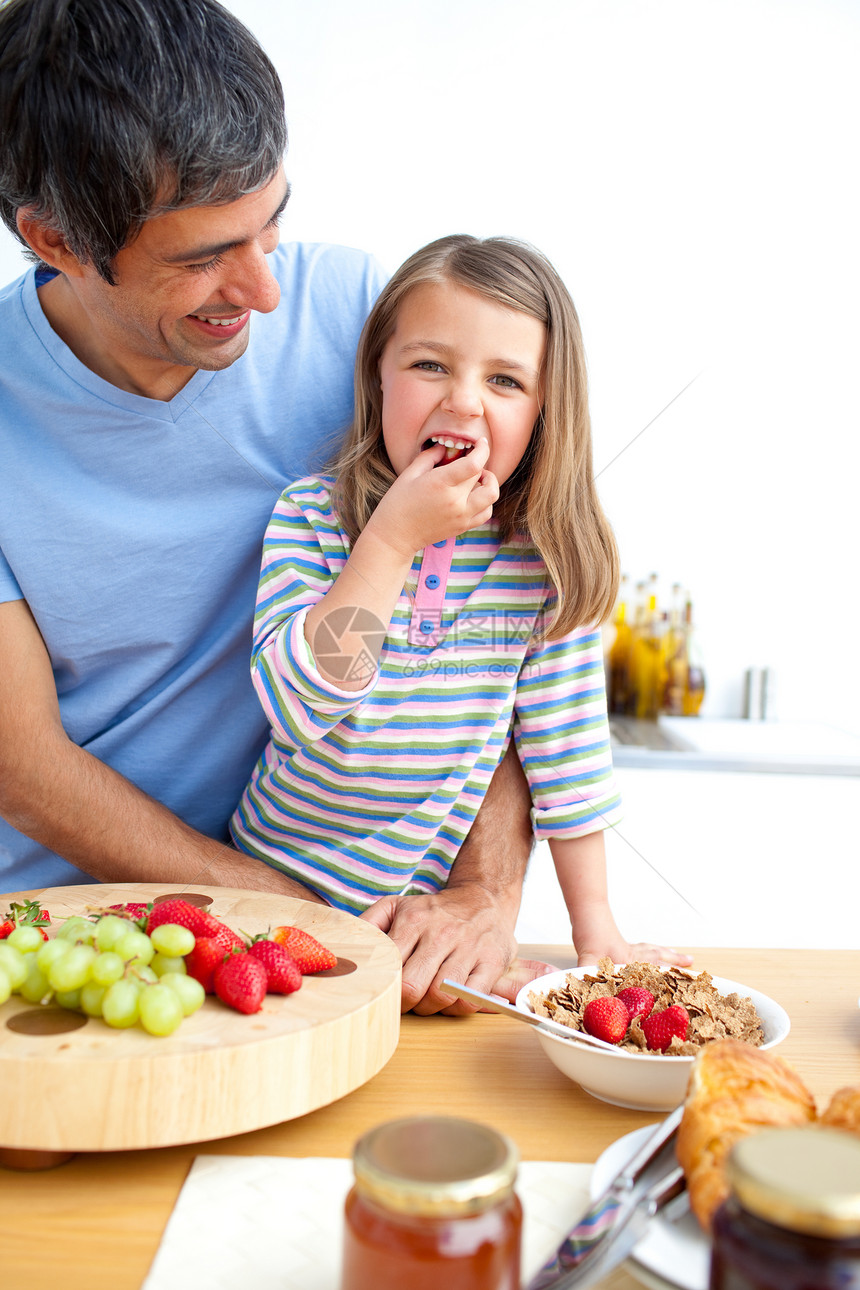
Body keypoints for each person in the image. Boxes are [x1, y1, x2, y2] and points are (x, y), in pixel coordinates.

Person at [0, 0, 543, 1014]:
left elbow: (498, 603)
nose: (264, 287)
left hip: (335, 943)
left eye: (271, 223)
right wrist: (295, 920)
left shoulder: (367, 322)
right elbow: (21, 762)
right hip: (71, 943)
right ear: (56, 240)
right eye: (203, 254)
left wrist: (483, 889)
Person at [231, 234, 693, 970]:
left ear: (545, 410)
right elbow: (299, 708)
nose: (463, 399)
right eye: (429, 365)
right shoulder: (312, 518)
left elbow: (566, 760)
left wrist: (597, 931)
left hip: (420, 934)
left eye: (505, 381)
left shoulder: (544, 566)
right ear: (377, 374)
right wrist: (388, 543)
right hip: (270, 905)